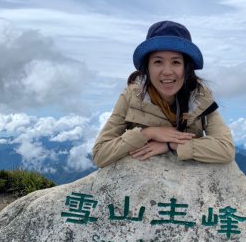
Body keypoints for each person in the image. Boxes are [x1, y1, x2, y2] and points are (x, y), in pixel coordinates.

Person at [92, 20, 235, 168]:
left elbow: (225, 149)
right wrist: (147, 133)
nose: (167, 71)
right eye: (158, 62)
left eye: (176, 62)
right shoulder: (131, 96)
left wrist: (171, 144)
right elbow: (100, 154)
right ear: (147, 67)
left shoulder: (200, 99)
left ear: (186, 68)